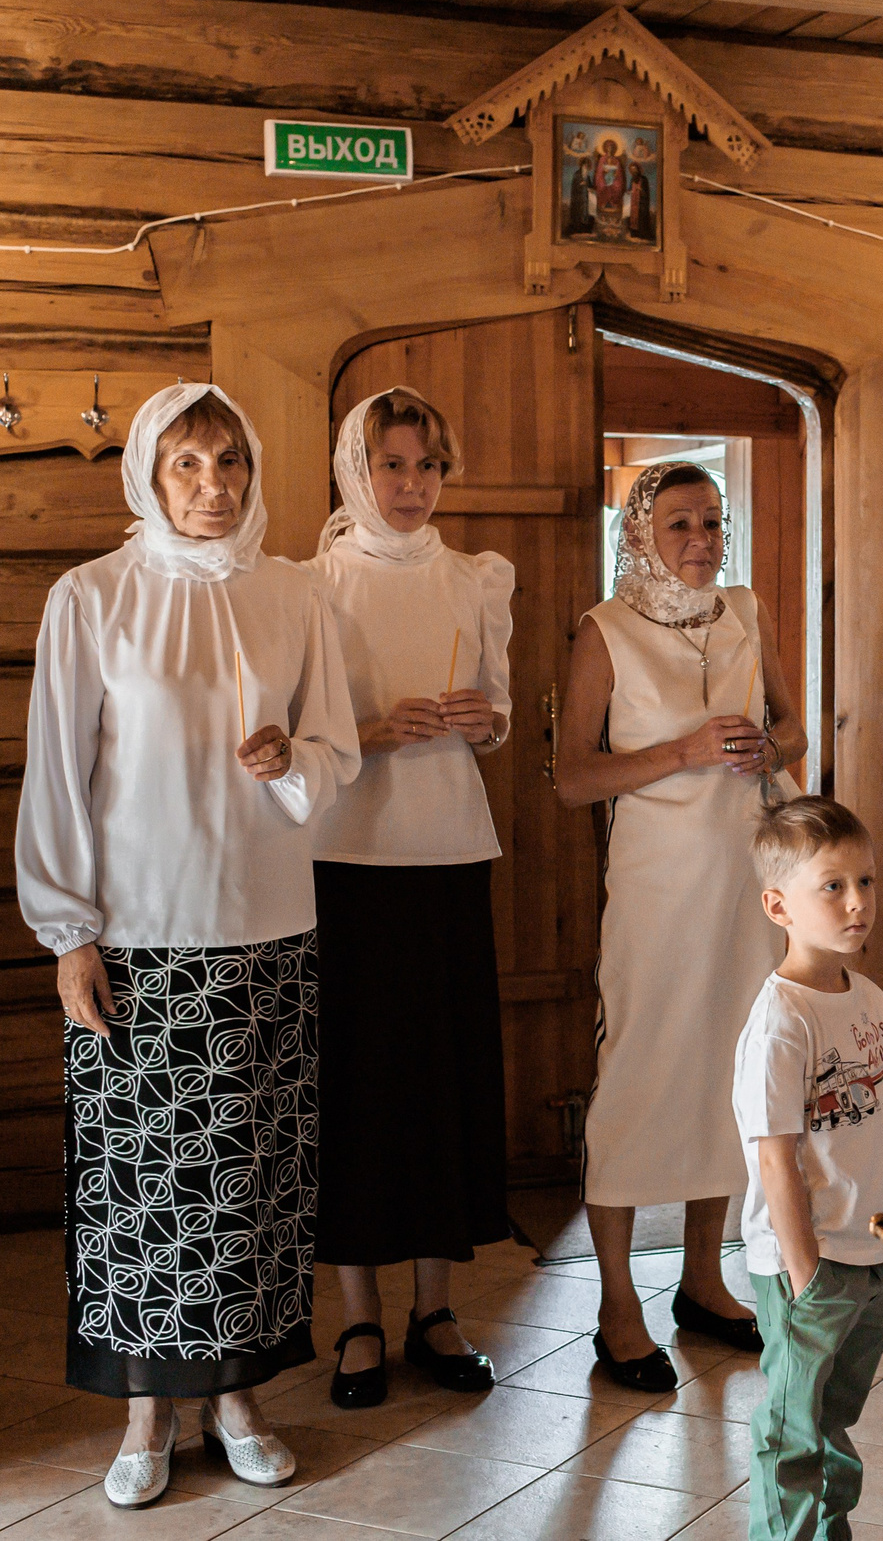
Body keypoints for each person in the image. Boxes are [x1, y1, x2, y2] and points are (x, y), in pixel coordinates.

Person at [15, 383, 360, 1509]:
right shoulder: (92, 599)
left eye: (230, 463)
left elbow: (338, 749)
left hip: (267, 929)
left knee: (252, 1186)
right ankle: (142, 1417)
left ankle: (238, 1399)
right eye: (188, 466)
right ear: (148, 478)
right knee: (145, 1193)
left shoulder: (296, 592)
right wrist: (68, 932)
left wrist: (291, 756)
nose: (214, 486)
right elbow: (57, 778)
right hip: (141, 941)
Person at [557, 461, 806, 1390]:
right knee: (637, 1073)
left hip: (746, 875)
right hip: (657, 889)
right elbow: (571, 775)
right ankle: (617, 1303)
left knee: (730, 1070)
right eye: (679, 526)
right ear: (640, 535)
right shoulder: (606, 631)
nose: (701, 541)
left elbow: (794, 723)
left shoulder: (746, 608)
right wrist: (684, 751)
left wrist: (768, 745)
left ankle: (704, 1276)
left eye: (712, 522)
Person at [304, 387, 517, 1410]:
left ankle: (435, 1307)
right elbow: (294, 732)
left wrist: (485, 720)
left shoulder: (477, 577)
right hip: (343, 861)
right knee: (355, 1086)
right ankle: (356, 1312)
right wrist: (366, 732)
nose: (411, 486)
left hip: (447, 854)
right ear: (355, 468)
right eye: (392, 466)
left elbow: (502, 712)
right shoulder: (310, 584)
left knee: (441, 1081)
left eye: (428, 467)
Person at [732, 796, 883, 1541]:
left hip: (869, 1255)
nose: (857, 901)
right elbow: (777, 1157)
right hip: (813, 1262)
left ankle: (831, 1531)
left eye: (865, 881)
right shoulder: (781, 1021)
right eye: (832, 886)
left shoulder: (870, 999)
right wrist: (804, 1274)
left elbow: (873, 1133)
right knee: (793, 1428)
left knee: (836, 1417)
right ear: (779, 905)